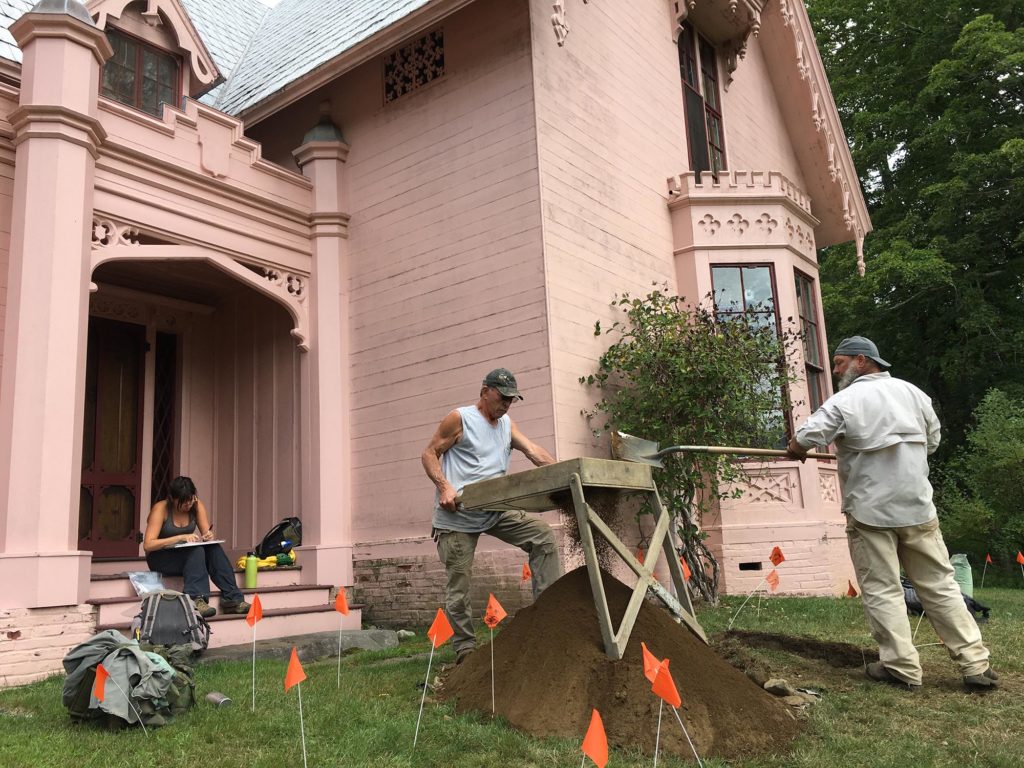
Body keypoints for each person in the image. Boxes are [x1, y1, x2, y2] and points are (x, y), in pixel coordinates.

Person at [787, 336, 997, 691]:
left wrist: (795, 450)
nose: (836, 370)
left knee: (882, 588)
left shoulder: (846, 400)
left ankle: (901, 668)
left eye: (839, 363)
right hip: (917, 506)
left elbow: (805, 437)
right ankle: (975, 664)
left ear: (861, 360)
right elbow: (932, 441)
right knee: (941, 586)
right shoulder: (915, 395)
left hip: (870, 512)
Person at [422, 368, 563, 664]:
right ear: (485, 391)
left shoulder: (506, 424)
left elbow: (534, 451)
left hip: (495, 509)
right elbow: (429, 453)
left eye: (512, 399)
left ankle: (550, 620)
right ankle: (465, 652)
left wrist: (565, 472)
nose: (507, 404)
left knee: (543, 538)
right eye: (502, 397)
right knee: (459, 588)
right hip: (457, 516)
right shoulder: (460, 419)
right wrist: (444, 487)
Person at [143, 475, 250, 619]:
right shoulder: (161, 509)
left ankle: (232, 598)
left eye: (190, 500)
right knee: (196, 550)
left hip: (186, 556)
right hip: (161, 558)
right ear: (172, 499)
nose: (188, 505)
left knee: (213, 548)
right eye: (183, 502)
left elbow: (206, 533)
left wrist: (208, 536)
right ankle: (196, 599)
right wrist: (179, 537)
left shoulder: (196, 505)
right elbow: (148, 545)